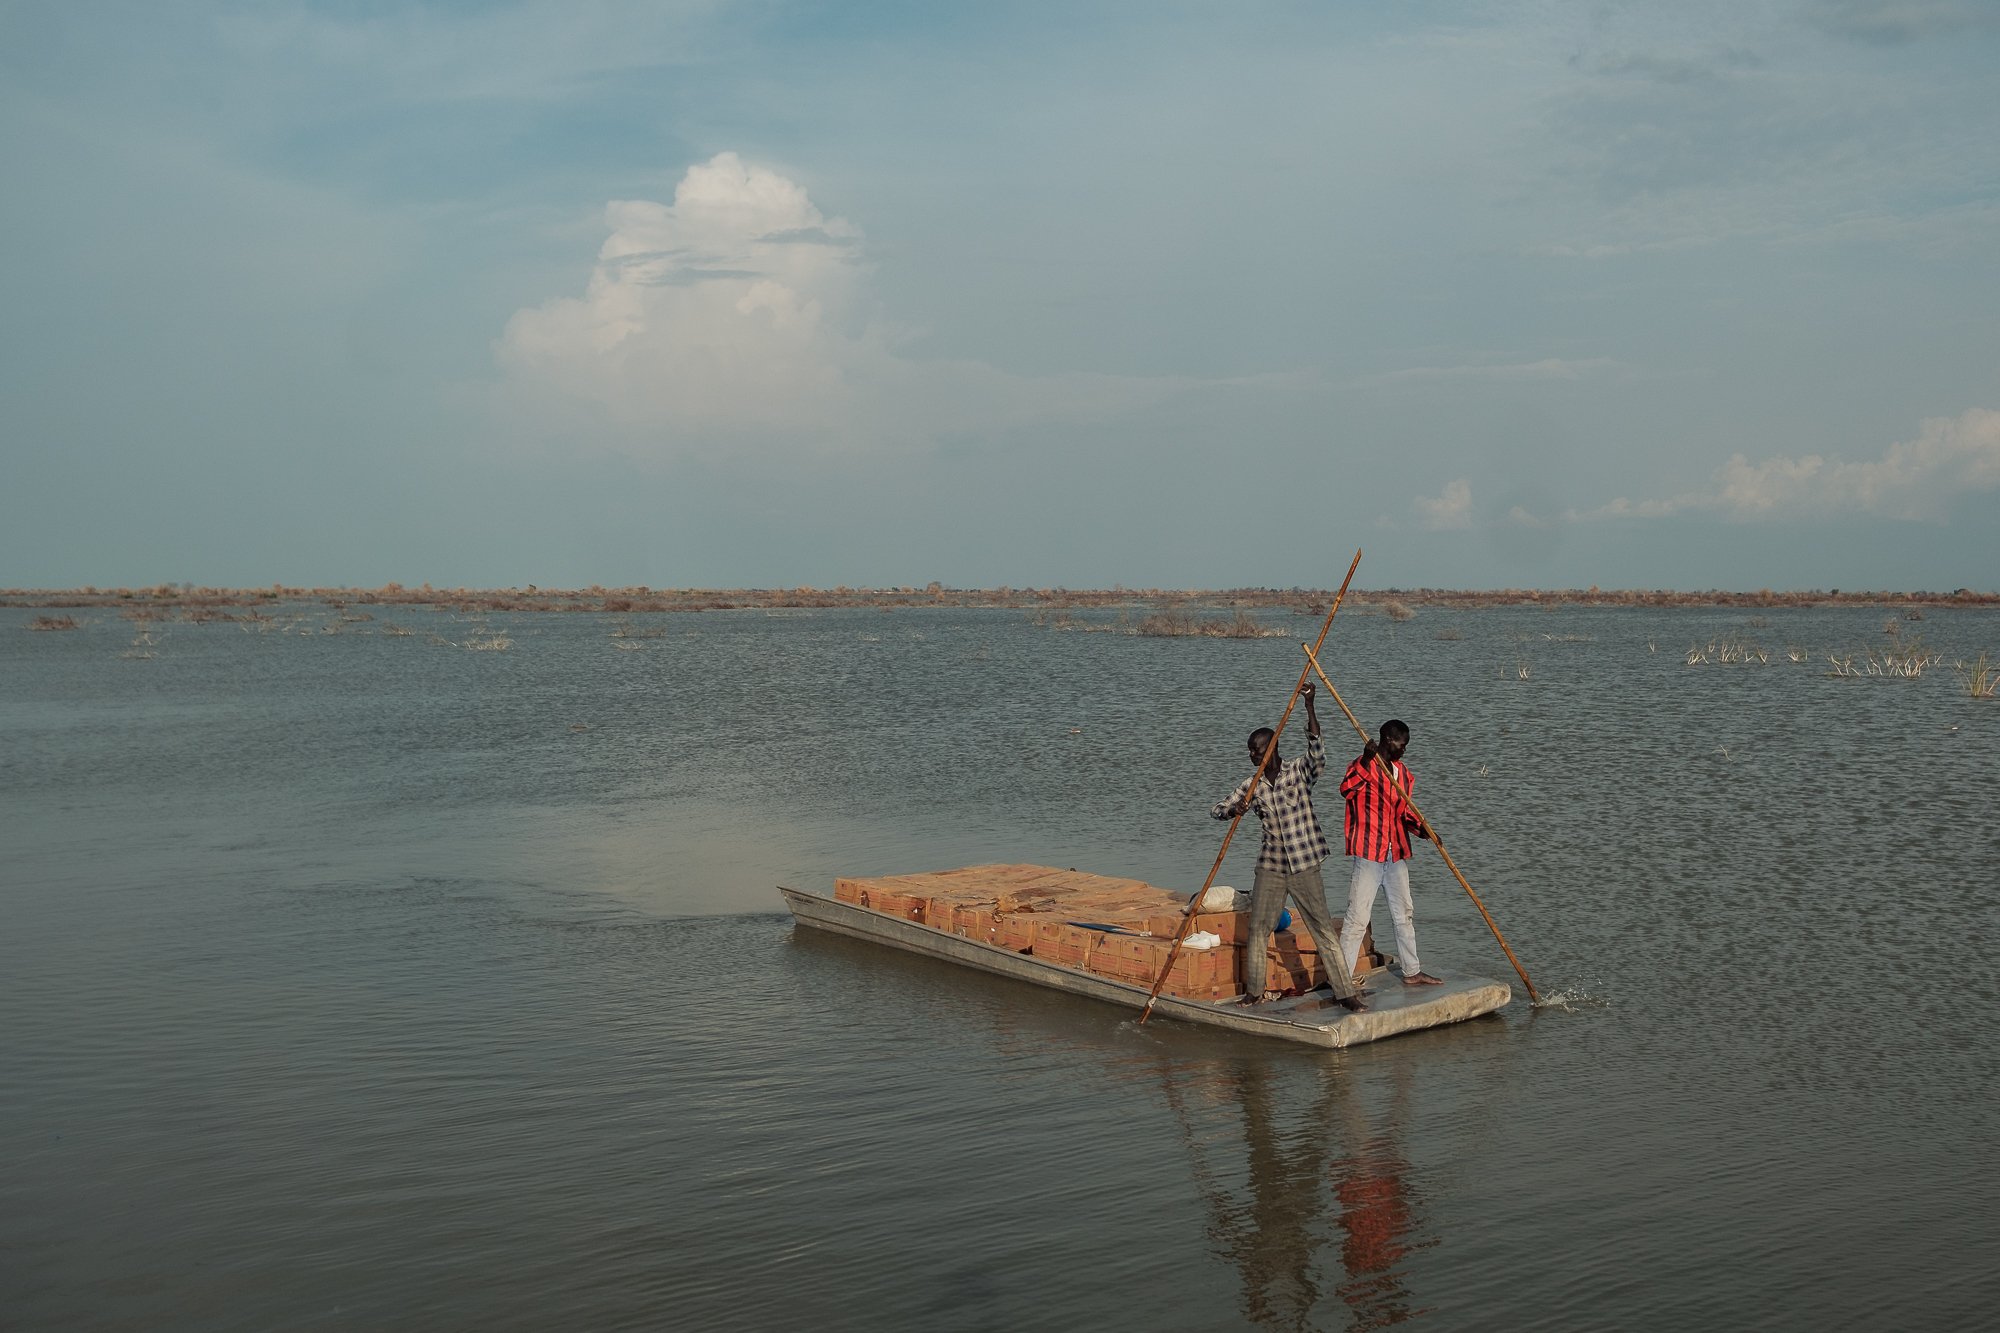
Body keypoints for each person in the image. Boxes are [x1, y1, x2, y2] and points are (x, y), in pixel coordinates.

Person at [1209, 680, 1367, 1011]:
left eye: (1256, 749)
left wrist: (1310, 705)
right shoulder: (1250, 786)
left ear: (1271, 748)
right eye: (1249, 750)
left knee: (1322, 928)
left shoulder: (1298, 771)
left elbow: (1318, 751)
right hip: (1271, 866)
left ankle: (1345, 992)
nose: (1251, 754)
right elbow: (1217, 809)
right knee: (1258, 930)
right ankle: (1254, 992)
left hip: (1305, 863)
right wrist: (1234, 809)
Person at [1337, 720, 1443, 987]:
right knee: (1357, 918)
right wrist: (1365, 758)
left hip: (1395, 853)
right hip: (1369, 852)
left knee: (1404, 913)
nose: (1404, 750)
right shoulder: (1364, 766)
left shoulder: (1403, 774)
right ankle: (1342, 980)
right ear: (1387, 740)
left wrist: (1425, 830)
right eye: (1401, 745)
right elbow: (1346, 790)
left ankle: (1412, 971)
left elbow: (1406, 813)